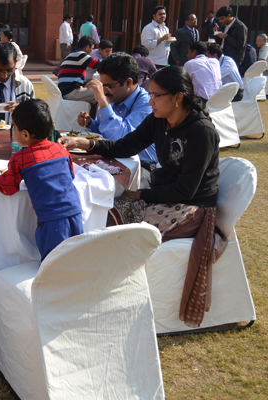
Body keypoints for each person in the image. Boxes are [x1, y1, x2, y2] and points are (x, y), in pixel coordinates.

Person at [58, 66, 222, 328]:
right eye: (150, 94)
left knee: (115, 225)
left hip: (191, 208)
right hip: (164, 196)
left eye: (156, 95)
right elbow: (126, 145)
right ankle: (92, 294)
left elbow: (186, 190)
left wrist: (140, 194)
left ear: (178, 97)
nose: (150, 101)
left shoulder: (200, 131)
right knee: (106, 212)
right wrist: (85, 143)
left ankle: (107, 298)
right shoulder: (159, 120)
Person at [0, 99, 82, 260]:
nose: (13, 132)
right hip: (75, 212)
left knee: (53, 264)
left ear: (25, 134)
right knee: (76, 258)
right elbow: (70, 175)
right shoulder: (61, 149)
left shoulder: (20, 158)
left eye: (14, 128)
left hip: (51, 221)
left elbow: (8, 187)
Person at [77, 53, 156, 187]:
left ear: (128, 82)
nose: (105, 91)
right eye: (102, 86)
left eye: (109, 86)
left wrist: (102, 101)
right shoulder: (116, 96)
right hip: (114, 158)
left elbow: (123, 141)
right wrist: (91, 123)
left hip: (142, 166)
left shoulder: (146, 104)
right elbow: (106, 132)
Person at [57, 36, 99, 109]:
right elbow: (98, 64)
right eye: (92, 48)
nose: (92, 51)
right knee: (102, 93)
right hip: (72, 92)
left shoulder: (73, 54)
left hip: (67, 91)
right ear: (87, 47)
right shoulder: (81, 55)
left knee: (96, 91)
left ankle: (92, 115)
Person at [183, 41, 221, 107]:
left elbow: (185, 83)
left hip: (202, 102)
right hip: (219, 99)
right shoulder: (215, 61)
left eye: (189, 52)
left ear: (194, 52)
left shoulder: (189, 64)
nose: (187, 55)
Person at [213, 6, 247, 72]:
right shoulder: (223, 26)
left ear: (229, 16)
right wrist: (217, 33)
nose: (220, 21)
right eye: (219, 19)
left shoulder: (240, 27)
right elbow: (220, 42)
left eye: (222, 19)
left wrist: (227, 36)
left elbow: (240, 45)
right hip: (222, 57)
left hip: (233, 60)